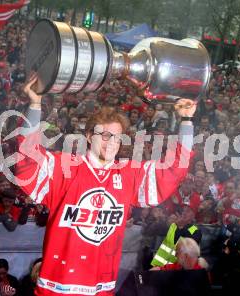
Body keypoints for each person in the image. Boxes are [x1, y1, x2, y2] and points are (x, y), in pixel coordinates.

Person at [14, 76, 196, 295]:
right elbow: (27, 158)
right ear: (90, 136)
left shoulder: (129, 173)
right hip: (57, 286)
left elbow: (175, 169)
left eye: (117, 137)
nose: (112, 142)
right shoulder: (65, 167)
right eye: (105, 135)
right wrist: (35, 105)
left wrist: (186, 122)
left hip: (101, 288)